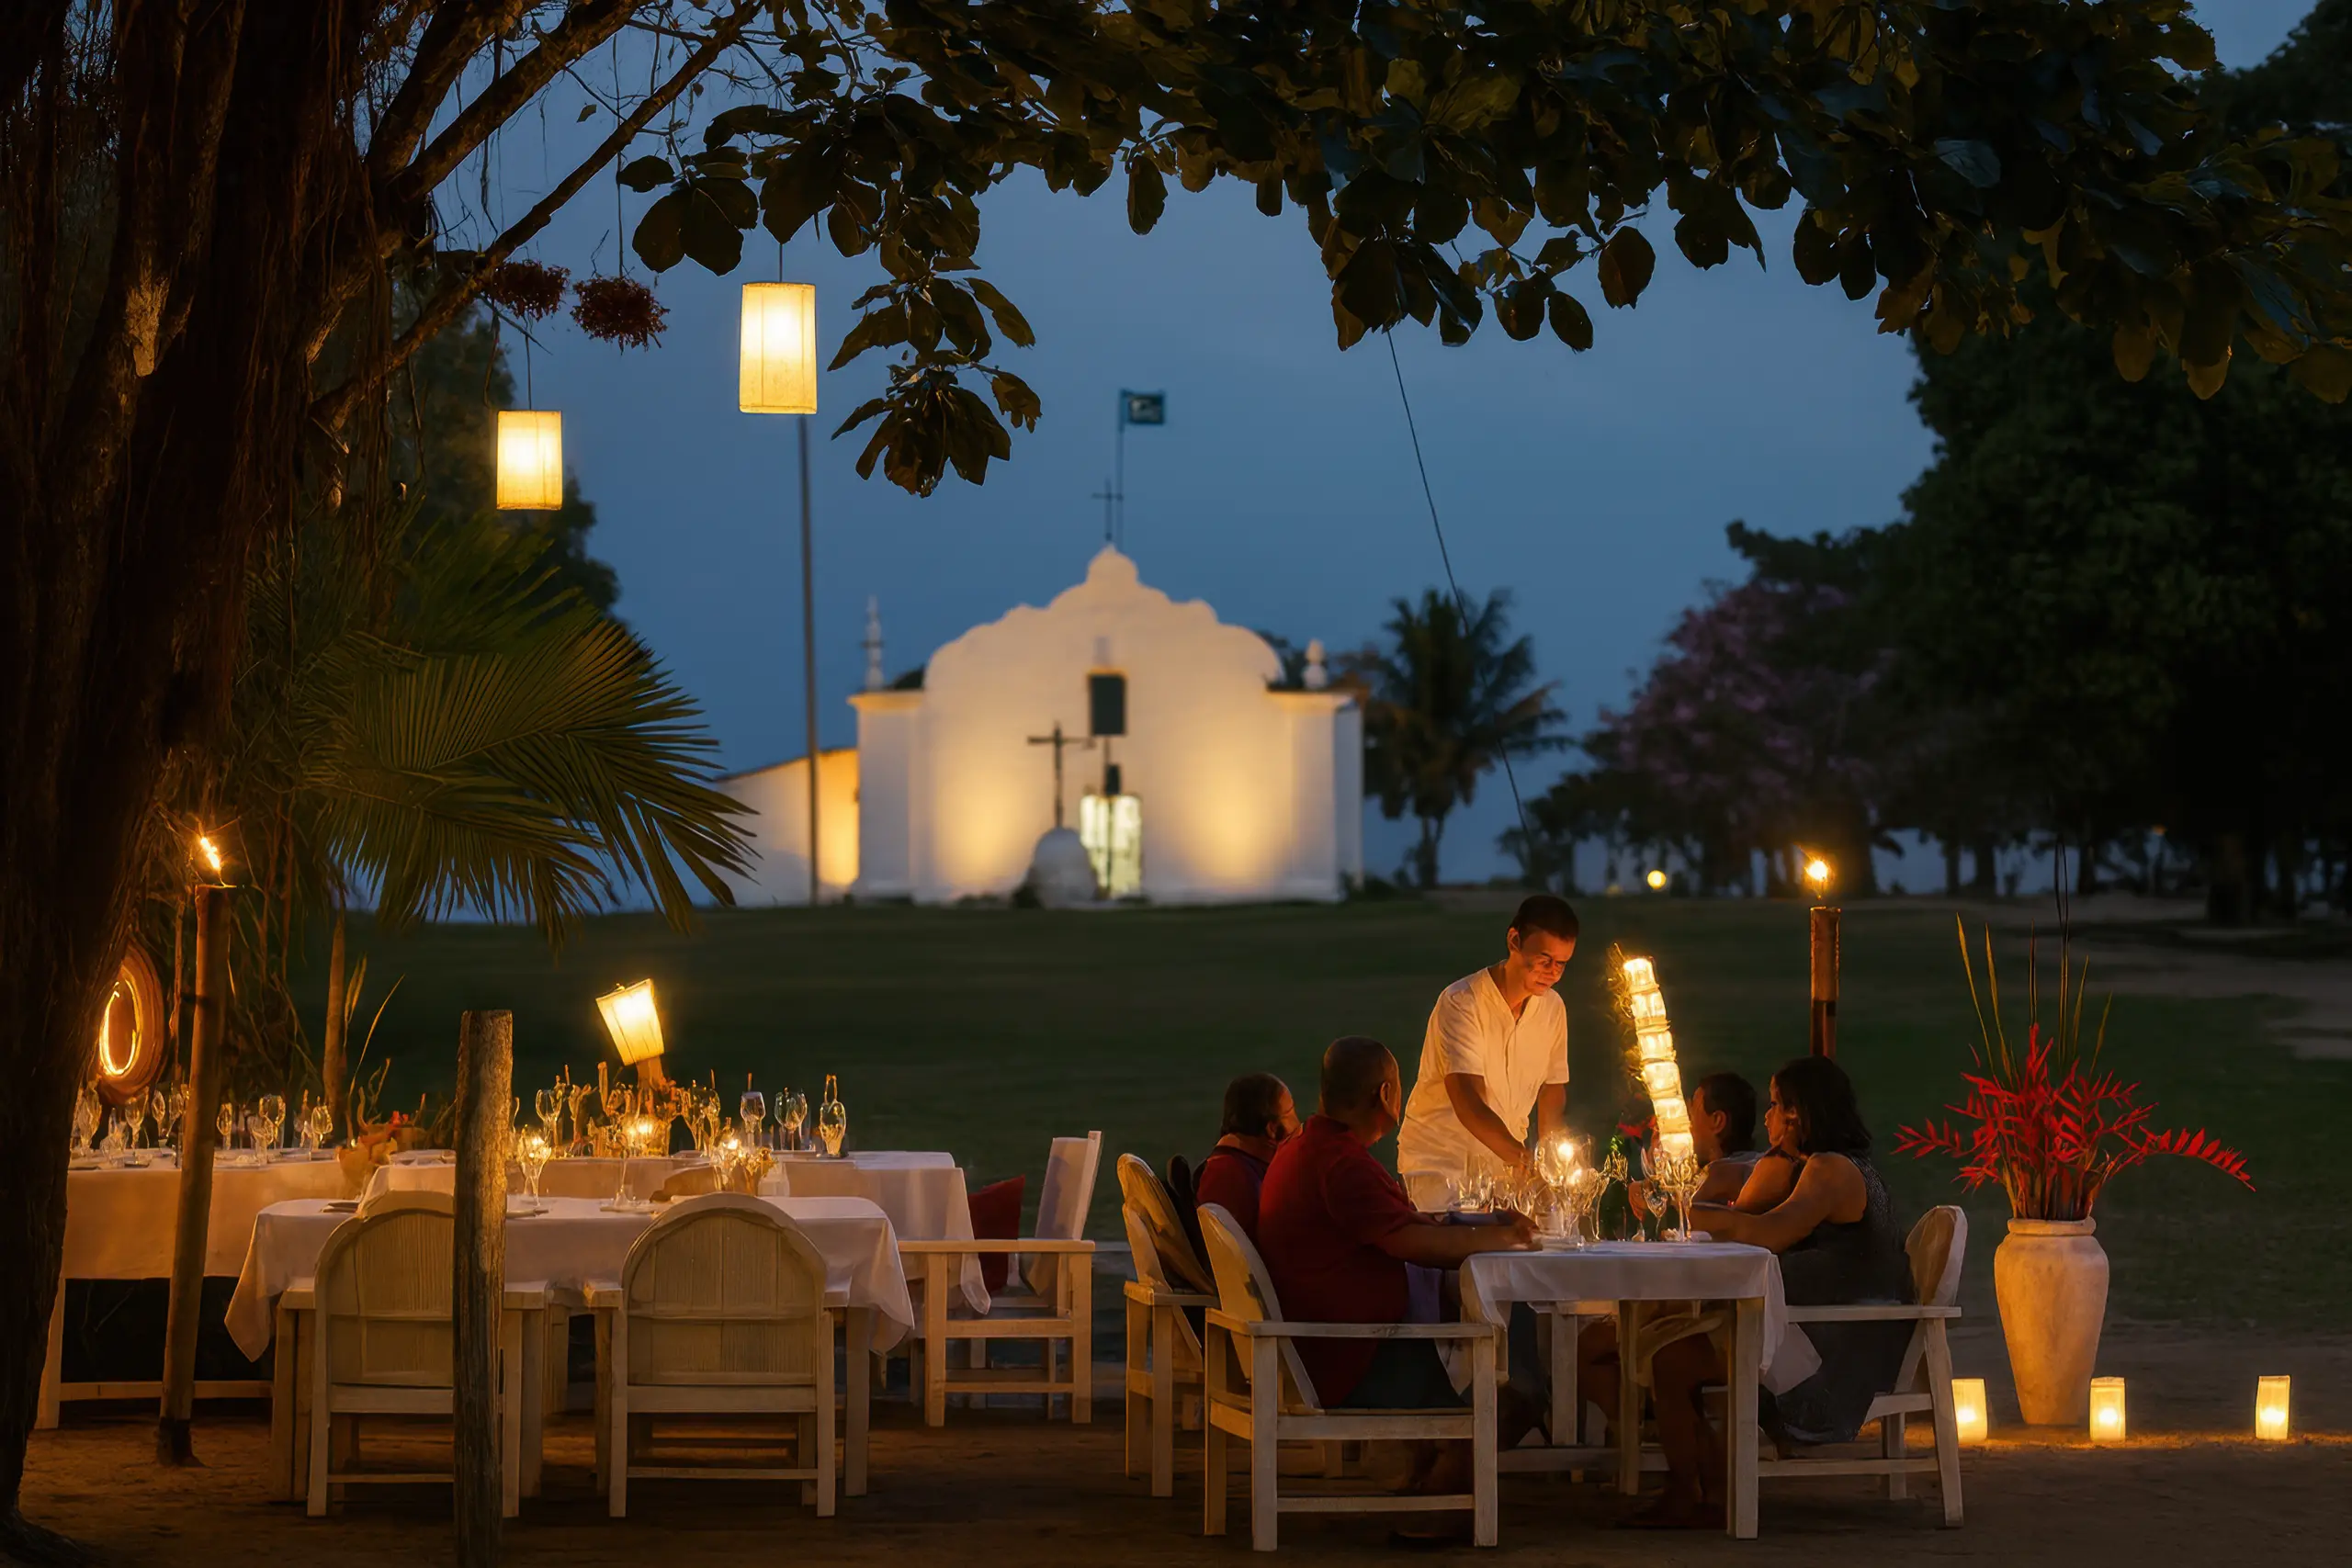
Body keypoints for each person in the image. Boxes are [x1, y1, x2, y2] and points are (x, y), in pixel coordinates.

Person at [1580, 1055, 1915, 1528]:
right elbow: (1753, 1209)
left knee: (1670, 1360)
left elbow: (1767, 1235)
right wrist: (1777, 1157)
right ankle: (1707, 1485)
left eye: (1777, 1105)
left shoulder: (1832, 1170)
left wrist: (1684, 1212)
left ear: (1799, 1113)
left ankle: (1695, 1490)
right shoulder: (1811, 1165)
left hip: (1838, 1347)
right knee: (1667, 1350)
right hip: (1814, 1325)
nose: (1766, 1117)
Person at [1253, 1037, 1542, 1536]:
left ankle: (1426, 1484)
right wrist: (1513, 1238)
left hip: (1326, 1344)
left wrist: (1486, 1223)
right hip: (1349, 1357)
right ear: (1386, 1094)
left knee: (1491, 1358)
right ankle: (1434, 1508)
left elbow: (1405, 1223)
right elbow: (1414, 1243)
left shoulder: (1311, 1148)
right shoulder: (1341, 1164)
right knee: (1517, 1393)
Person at [1396, 894, 1577, 1208]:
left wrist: (1553, 1168)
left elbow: (1552, 1092)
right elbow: (1469, 1100)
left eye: (1561, 964)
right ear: (1514, 940)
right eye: (1544, 959)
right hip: (1444, 1166)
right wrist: (1527, 1165)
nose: (1552, 972)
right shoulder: (1463, 1002)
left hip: (1506, 1171)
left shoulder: (1552, 1009)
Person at [1193, 1072, 1299, 1242]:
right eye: (1291, 1112)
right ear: (1272, 1129)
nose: (1298, 1123)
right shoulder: (1234, 1179)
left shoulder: (1229, 1166)